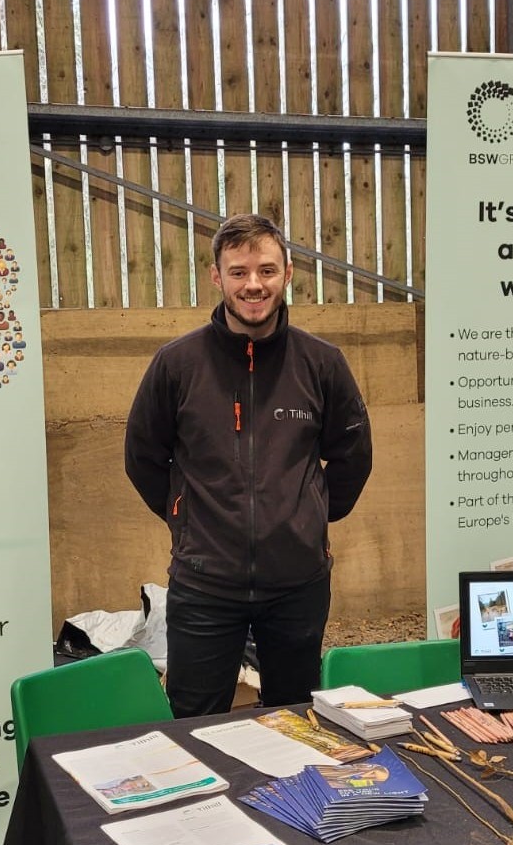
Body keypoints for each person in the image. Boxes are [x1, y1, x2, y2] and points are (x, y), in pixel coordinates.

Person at [124, 213, 372, 718]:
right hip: (204, 584)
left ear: (287, 273)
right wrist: (186, 517)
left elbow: (352, 455)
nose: (253, 284)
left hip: (298, 584)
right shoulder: (177, 364)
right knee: (196, 721)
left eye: (266, 270)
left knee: (295, 719)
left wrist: (308, 517)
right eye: (238, 272)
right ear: (216, 277)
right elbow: (142, 456)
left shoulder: (322, 363)